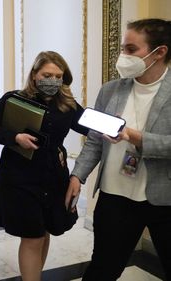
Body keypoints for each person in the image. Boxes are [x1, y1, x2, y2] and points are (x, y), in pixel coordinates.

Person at [67, 18, 171, 280]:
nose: (123, 56)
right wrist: (78, 175)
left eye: (131, 49)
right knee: (103, 267)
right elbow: (94, 140)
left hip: (163, 199)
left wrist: (135, 137)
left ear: (159, 52)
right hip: (115, 197)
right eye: (123, 48)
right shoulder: (111, 90)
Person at [0, 51, 88, 281]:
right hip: (20, 176)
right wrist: (15, 137)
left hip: (53, 176)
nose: (52, 81)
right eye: (47, 75)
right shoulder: (13, 99)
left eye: (58, 76)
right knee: (32, 236)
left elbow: (90, 127)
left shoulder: (68, 105)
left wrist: (114, 128)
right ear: (34, 75)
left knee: (45, 230)